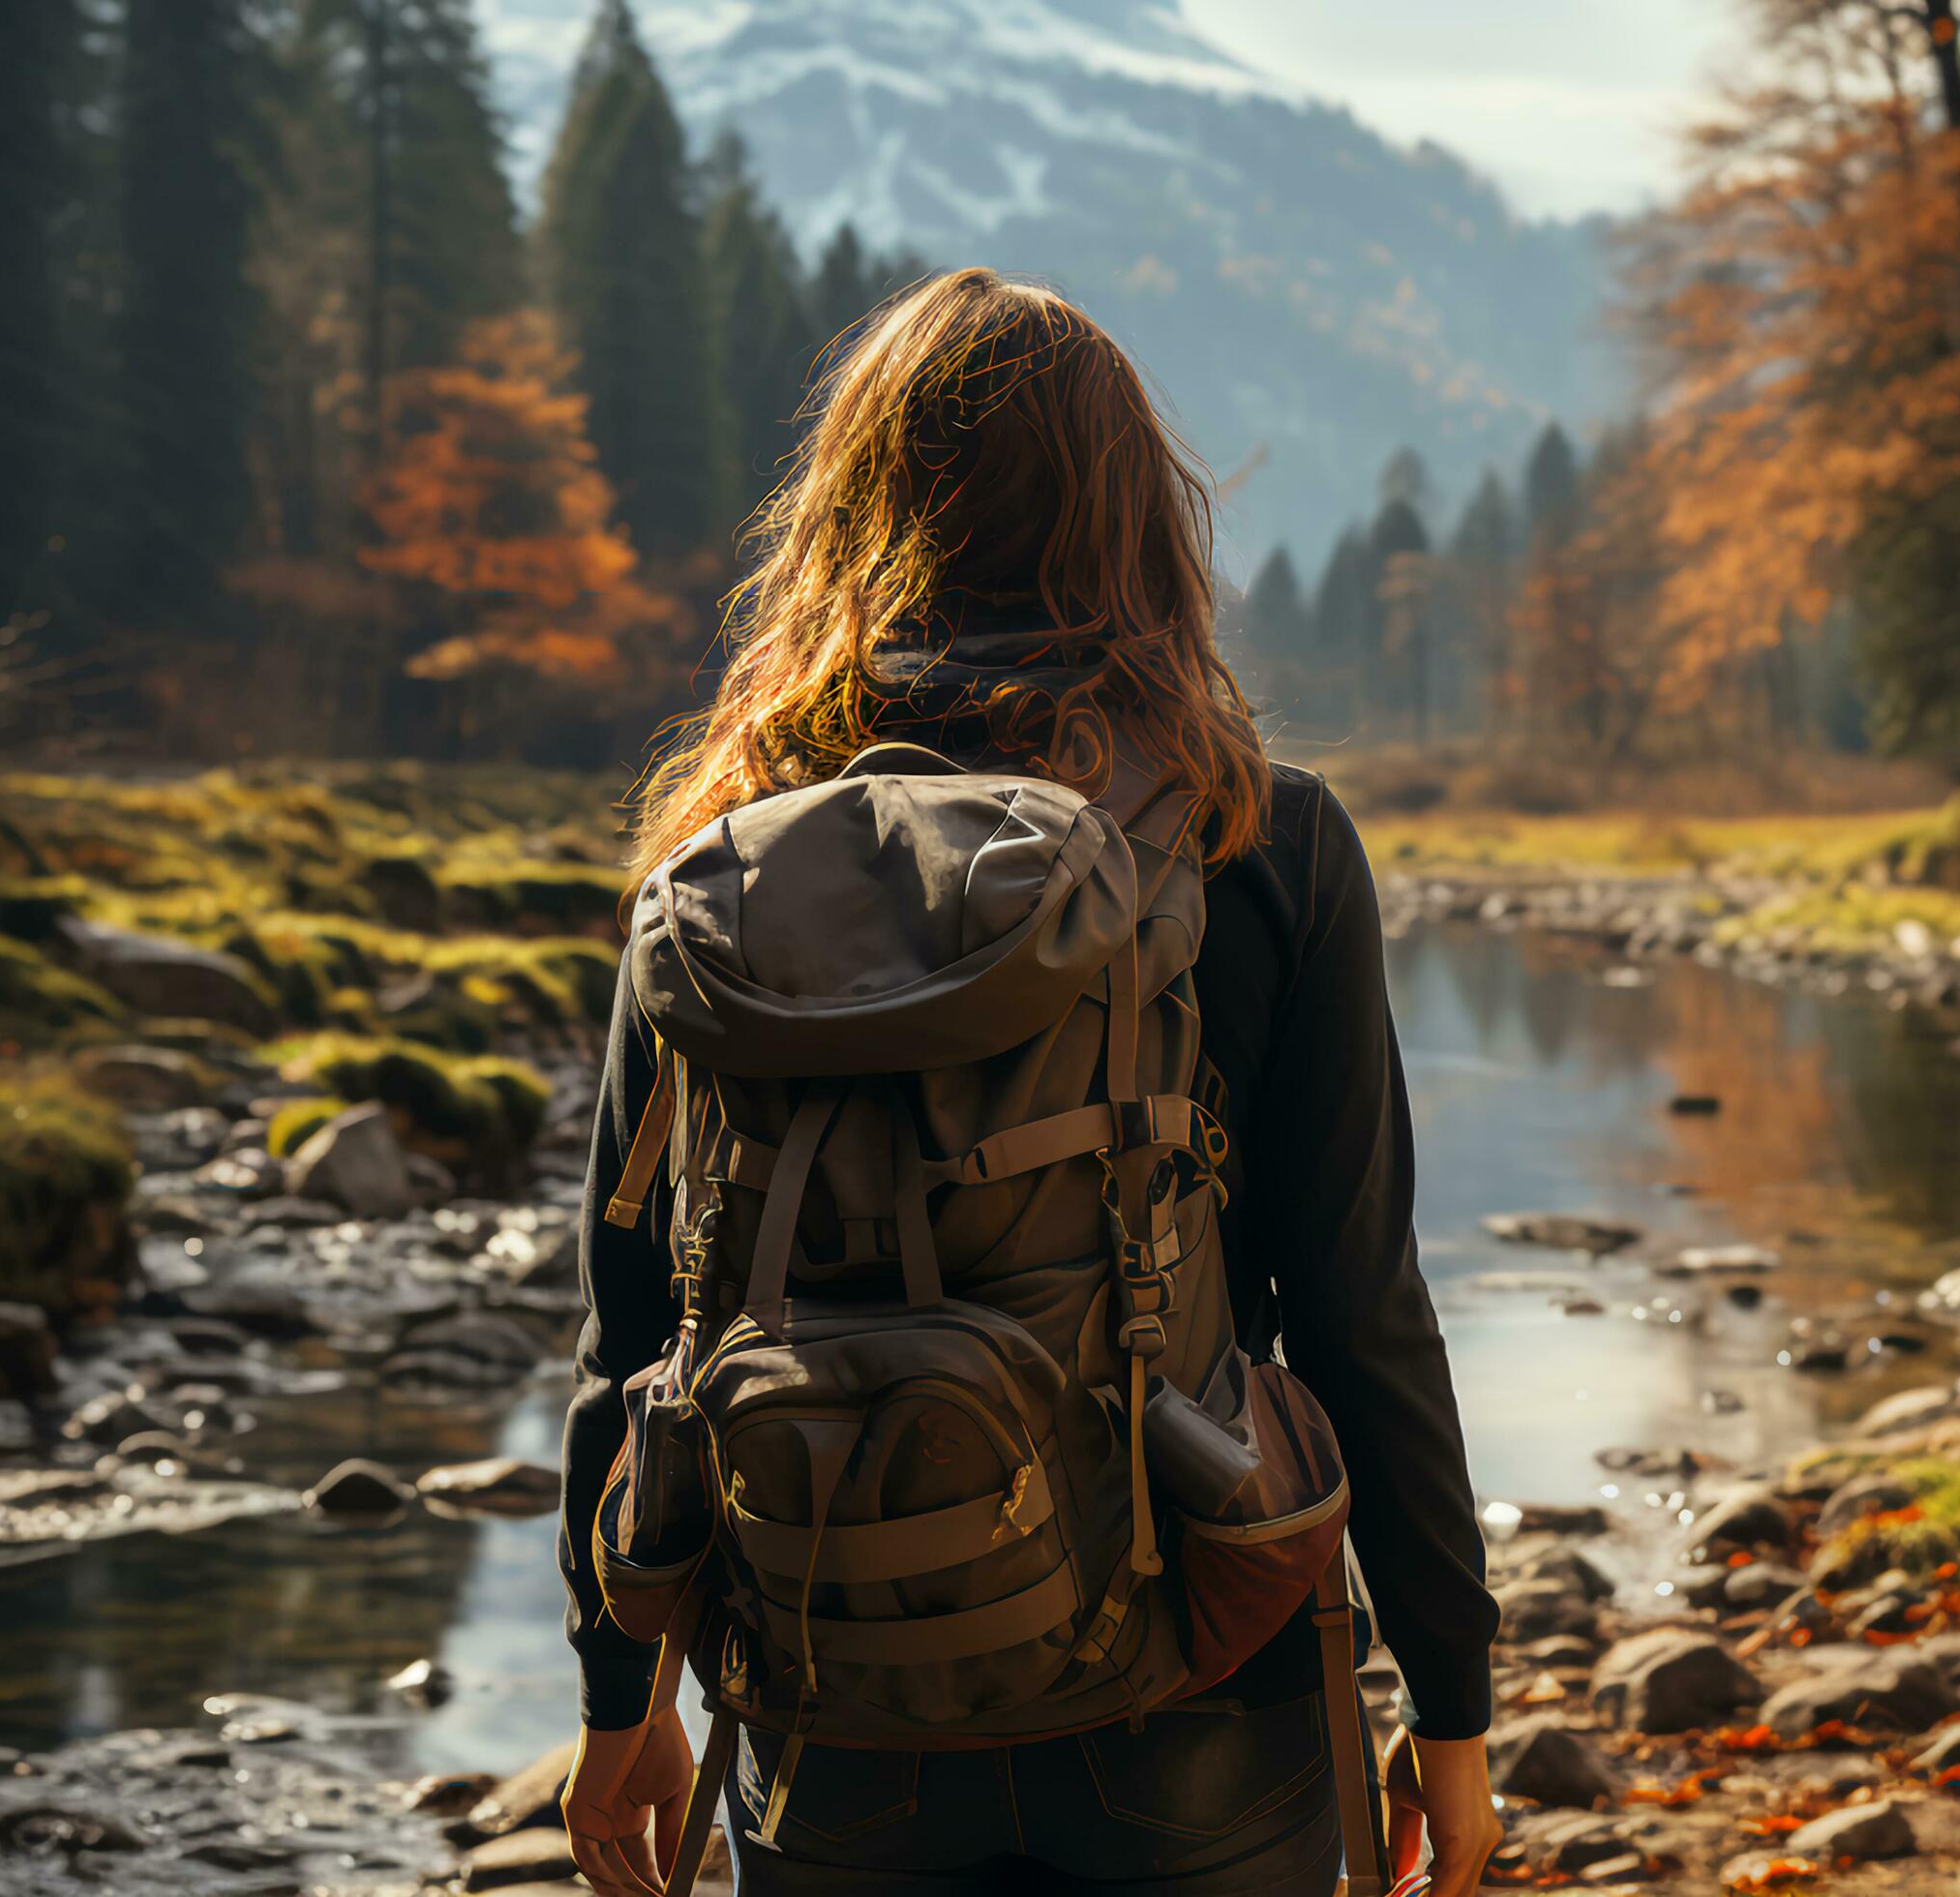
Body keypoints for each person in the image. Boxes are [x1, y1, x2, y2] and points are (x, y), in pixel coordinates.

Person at [554, 268, 1503, 1897]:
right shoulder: (1256, 840)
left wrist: (615, 1689)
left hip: (831, 1686)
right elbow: (1362, 1311)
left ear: (848, 517)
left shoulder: (721, 866)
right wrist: (1453, 1698)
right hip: (1203, 1670)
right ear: (1143, 527)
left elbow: (638, 1320)